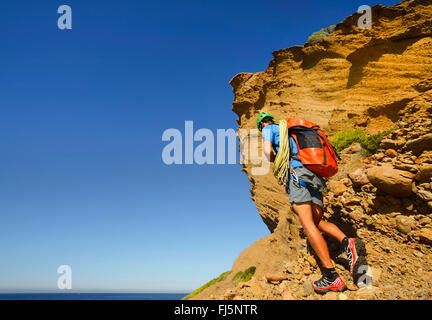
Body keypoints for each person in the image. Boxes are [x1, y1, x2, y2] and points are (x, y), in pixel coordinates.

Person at [257, 111, 366, 294]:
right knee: (318, 222)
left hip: (296, 175)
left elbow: (268, 152)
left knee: (307, 224)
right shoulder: (290, 131)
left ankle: (331, 276)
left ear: (262, 125)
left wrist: (275, 158)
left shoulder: (268, 129)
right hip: (313, 176)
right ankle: (348, 242)